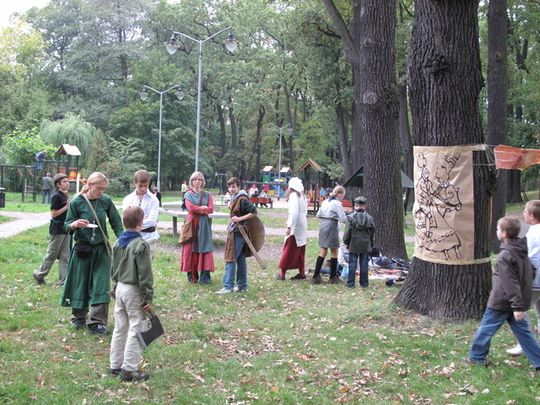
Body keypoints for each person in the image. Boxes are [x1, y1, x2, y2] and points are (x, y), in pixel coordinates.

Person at [468, 216, 540, 369]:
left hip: (502, 301)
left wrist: (517, 306)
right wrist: (519, 303)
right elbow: (531, 271)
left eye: (498, 229)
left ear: (504, 234)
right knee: (524, 334)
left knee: (486, 329)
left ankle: (476, 357)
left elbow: (510, 283)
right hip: (515, 302)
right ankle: (538, 361)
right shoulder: (521, 250)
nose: (496, 231)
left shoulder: (505, 256)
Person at [61, 172, 123, 335]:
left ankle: (97, 322)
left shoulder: (105, 201)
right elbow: (66, 225)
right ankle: (79, 317)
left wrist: (123, 239)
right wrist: (74, 224)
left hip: (101, 250)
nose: (101, 192)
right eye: (99, 188)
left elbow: (116, 221)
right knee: (80, 283)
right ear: (89, 185)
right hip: (82, 250)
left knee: (101, 284)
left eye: (104, 189)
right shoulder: (77, 202)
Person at [109, 206, 153, 382]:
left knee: (120, 327)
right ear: (140, 223)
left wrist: (114, 287)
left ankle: (115, 364)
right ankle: (129, 369)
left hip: (119, 287)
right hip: (133, 289)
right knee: (136, 327)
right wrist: (147, 296)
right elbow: (145, 274)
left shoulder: (117, 242)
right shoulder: (141, 245)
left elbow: (113, 268)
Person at [507, 200, 540, 356]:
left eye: (525, 212)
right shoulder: (533, 231)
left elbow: (527, 257)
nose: (523, 214)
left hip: (534, 280)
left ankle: (525, 343)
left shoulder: (533, 234)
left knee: (522, 310)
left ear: (532, 216)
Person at [216, 177, 258, 294]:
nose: (231, 189)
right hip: (239, 233)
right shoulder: (236, 198)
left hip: (238, 233)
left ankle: (228, 286)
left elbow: (254, 212)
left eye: (234, 186)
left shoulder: (242, 199)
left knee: (231, 258)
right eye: (230, 187)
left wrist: (239, 219)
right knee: (240, 259)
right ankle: (242, 286)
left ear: (239, 187)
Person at [33, 174, 71, 285]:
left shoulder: (65, 195)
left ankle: (64, 280)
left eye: (67, 181)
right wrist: (66, 207)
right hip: (57, 230)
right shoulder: (56, 196)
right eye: (64, 182)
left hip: (67, 229)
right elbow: (54, 214)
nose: (67, 183)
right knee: (52, 254)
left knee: (65, 256)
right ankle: (39, 274)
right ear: (58, 185)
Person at [180, 171, 215, 284]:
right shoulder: (188, 195)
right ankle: (192, 276)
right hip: (191, 224)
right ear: (191, 181)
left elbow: (211, 209)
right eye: (195, 179)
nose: (197, 181)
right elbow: (190, 208)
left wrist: (199, 209)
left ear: (202, 181)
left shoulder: (208, 195)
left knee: (205, 246)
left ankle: (205, 277)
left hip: (204, 225)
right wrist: (203, 208)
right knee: (190, 248)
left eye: (199, 179)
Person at [312, 185, 347, 284]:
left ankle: (316, 275)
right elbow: (343, 219)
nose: (343, 197)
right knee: (334, 251)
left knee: (323, 251)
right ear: (340, 194)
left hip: (323, 225)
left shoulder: (325, 201)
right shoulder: (337, 203)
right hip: (332, 226)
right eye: (343, 195)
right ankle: (333, 277)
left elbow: (318, 214)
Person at [122, 170, 160, 252]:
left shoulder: (153, 200)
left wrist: (133, 222)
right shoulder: (128, 199)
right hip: (131, 239)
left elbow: (152, 221)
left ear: (148, 183)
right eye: (140, 186)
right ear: (135, 183)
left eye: (146, 185)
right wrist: (143, 219)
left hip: (149, 238)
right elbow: (125, 220)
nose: (143, 188)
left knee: (146, 260)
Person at [277, 177, 308, 280]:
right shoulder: (302, 196)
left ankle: (282, 273)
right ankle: (302, 273)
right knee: (300, 249)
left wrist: (289, 226)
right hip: (302, 223)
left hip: (296, 225)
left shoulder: (294, 196)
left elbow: (294, 212)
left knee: (289, 248)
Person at [343, 196, 375, 288]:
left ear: (355, 206)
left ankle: (350, 283)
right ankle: (364, 283)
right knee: (364, 264)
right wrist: (371, 243)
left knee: (352, 264)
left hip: (353, 243)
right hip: (365, 244)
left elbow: (347, 232)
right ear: (365, 206)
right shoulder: (370, 218)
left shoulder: (350, 218)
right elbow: (372, 233)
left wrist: (346, 242)